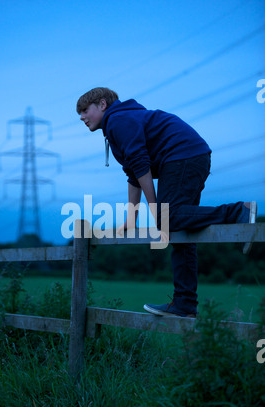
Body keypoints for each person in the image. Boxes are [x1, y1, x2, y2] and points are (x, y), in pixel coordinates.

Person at [76, 87, 257, 318]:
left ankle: (238, 211)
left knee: (168, 219)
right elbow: (133, 174)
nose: (81, 117)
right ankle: (185, 304)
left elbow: (142, 166)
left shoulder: (118, 120)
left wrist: (156, 211)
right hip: (190, 155)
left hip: (183, 154)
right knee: (180, 231)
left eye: (84, 110)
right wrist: (131, 218)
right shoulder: (118, 125)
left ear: (102, 104)